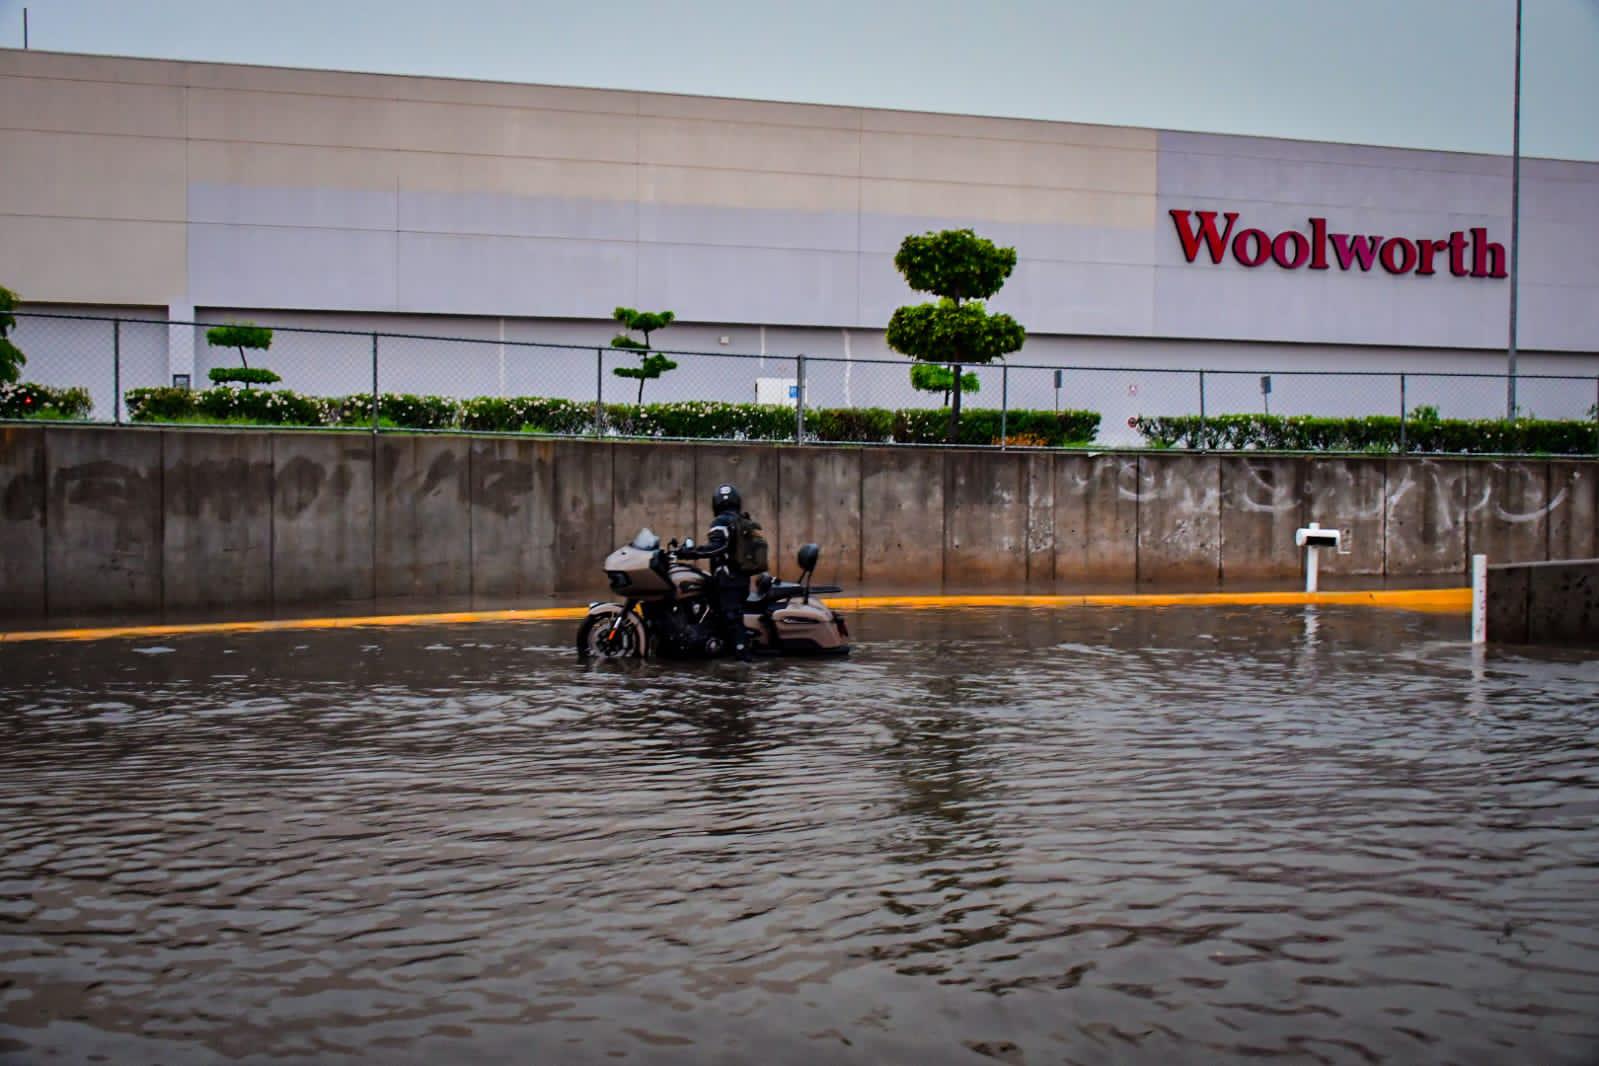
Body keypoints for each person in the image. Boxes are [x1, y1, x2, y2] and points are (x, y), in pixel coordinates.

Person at [680, 483, 768, 661]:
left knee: (731, 618)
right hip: (740, 580)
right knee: (720, 615)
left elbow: (717, 547)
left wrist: (691, 553)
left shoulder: (721, 522)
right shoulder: (742, 521)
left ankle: (744, 659)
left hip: (728, 581)